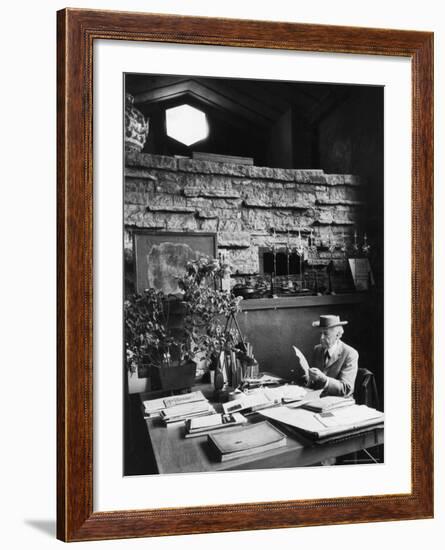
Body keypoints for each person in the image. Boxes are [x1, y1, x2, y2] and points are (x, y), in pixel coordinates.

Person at [293, 314, 358, 397]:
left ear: (337, 335)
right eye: (320, 333)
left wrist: (324, 379)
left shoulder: (350, 353)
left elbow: (346, 389)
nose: (321, 338)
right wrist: (308, 378)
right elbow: (313, 381)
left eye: (326, 334)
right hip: (318, 398)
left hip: (339, 402)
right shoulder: (317, 349)